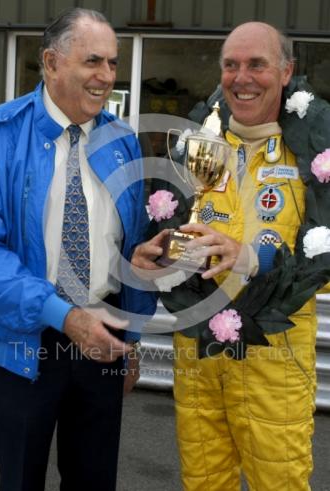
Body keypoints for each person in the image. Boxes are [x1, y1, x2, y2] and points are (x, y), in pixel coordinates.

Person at [132, 22, 330, 490]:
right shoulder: (202, 142)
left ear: (287, 72)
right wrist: (156, 257)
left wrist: (253, 259)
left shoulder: (313, 149)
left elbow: (323, 256)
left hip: (275, 362)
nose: (242, 77)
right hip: (199, 355)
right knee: (203, 482)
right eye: (231, 65)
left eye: (256, 64)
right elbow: (177, 226)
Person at [0, 7, 156, 491]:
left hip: (103, 335)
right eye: (92, 61)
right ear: (51, 63)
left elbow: (132, 242)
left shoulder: (123, 142)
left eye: (113, 63)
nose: (106, 76)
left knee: (94, 478)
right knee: (20, 478)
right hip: (24, 339)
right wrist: (63, 315)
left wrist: (133, 339)